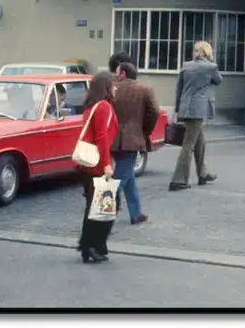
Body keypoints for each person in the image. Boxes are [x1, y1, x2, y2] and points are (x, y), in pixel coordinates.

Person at [76, 71, 119, 263]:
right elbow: (101, 137)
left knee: (93, 205)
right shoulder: (104, 107)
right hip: (99, 164)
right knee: (105, 205)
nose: (116, 88)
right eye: (114, 84)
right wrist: (107, 164)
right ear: (106, 87)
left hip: (88, 164)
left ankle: (89, 245)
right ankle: (93, 244)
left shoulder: (90, 106)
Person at [111, 62, 160, 224]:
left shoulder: (112, 89)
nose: (115, 75)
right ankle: (100, 212)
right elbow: (154, 111)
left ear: (123, 73)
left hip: (113, 138)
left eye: (117, 73)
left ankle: (136, 213)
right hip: (133, 139)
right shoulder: (145, 89)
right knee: (119, 179)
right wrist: (144, 130)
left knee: (127, 175)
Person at [169, 41, 221, 192]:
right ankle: (178, 180)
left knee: (200, 140)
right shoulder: (211, 67)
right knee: (188, 144)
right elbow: (219, 80)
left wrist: (178, 109)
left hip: (186, 107)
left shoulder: (186, 66)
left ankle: (202, 173)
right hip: (198, 110)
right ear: (207, 52)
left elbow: (179, 88)